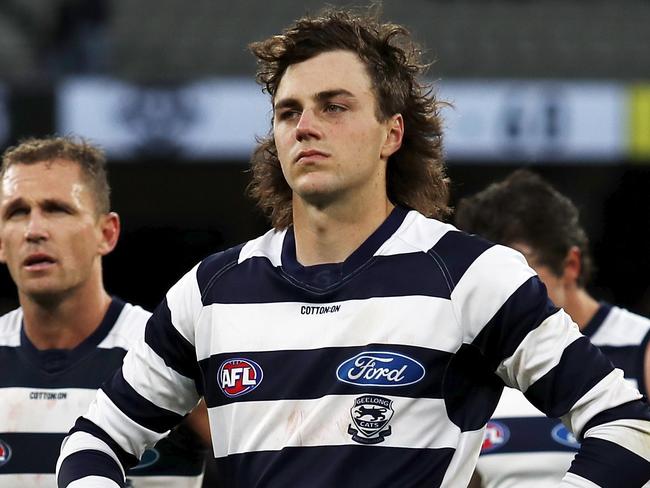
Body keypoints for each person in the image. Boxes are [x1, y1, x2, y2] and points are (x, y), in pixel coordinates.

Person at [57, 8, 650, 488]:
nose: (305, 126)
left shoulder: (472, 277)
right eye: (288, 112)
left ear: (393, 132)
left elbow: (626, 426)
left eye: (334, 106)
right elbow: (92, 443)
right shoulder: (209, 292)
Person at [0, 136, 208, 487]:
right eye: (17, 212)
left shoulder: (171, 351)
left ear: (107, 233)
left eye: (57, 209)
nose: (34, 230)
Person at [455, 169, 650, 488]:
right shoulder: (474, 356)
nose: (501, 292)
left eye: (518, 272)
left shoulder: (642, 347)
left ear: (570, 266)